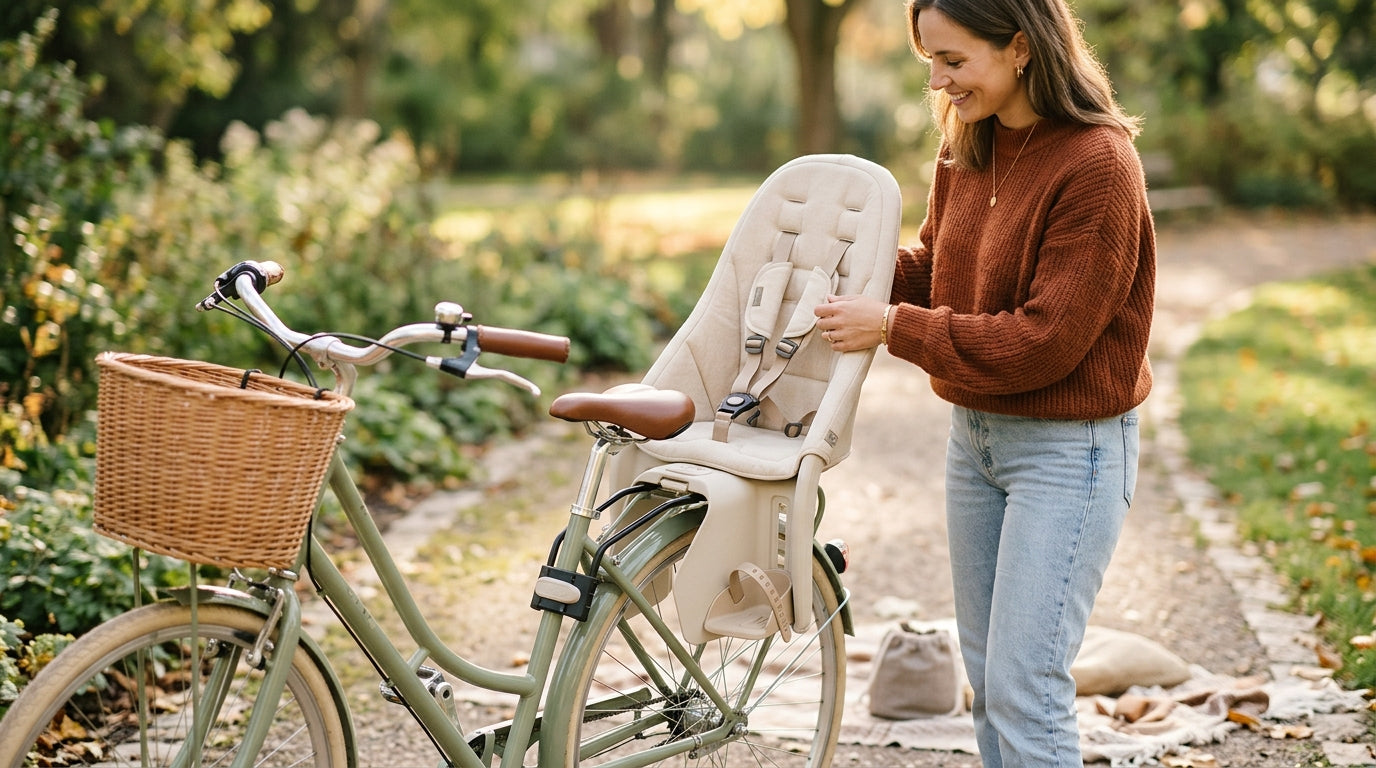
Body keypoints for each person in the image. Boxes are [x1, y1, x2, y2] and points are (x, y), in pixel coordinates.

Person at [813, 0, 1156, 765]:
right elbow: (937, 271)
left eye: (954, 61)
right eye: (929, 60)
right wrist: (839, 270)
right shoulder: (966, 146)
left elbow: (1044, 341)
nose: (937, 81)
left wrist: (894, 326)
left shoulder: (1098, 164)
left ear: (1023, 48)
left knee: (1025, 688)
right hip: (975, 441)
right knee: (989, 684)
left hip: (1070, 453)